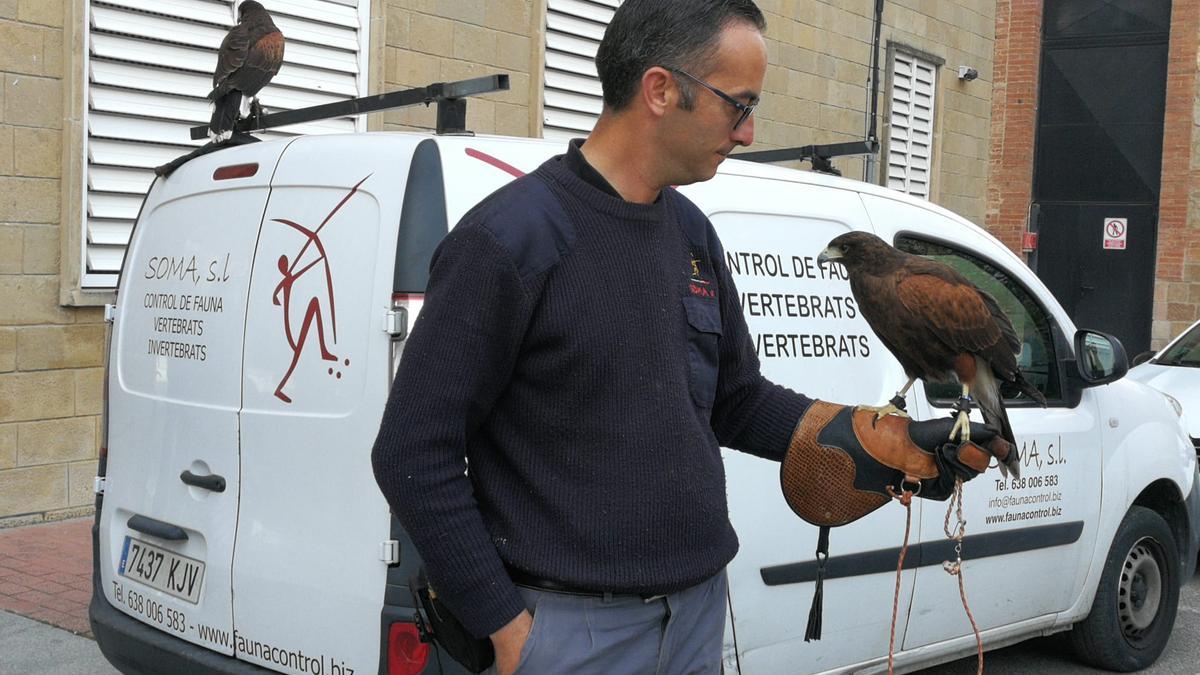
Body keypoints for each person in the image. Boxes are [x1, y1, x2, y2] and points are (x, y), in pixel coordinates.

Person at [371, 1, 999, 673]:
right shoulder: (509, 241)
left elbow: (736, 398)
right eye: (739, 105)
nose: (752, 132)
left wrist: (873, 440)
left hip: (697, 615)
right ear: (661, 90)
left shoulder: (692, 234)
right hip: (569, 633)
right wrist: (505, 623)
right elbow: (413, 451)